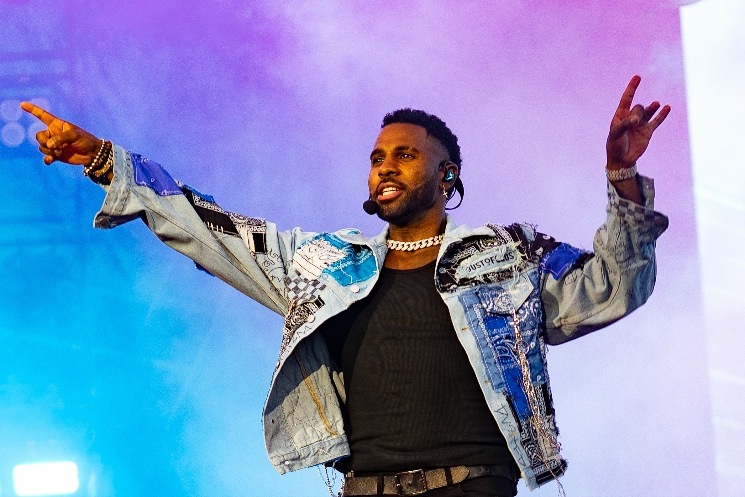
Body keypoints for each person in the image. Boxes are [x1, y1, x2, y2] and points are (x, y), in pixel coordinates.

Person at [21, 75, 669, 497]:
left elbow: (615, 285)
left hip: (471, 486)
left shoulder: (506, 254)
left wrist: (620, 173)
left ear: (447, 177)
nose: (385, 165)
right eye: (377, 156)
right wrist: (106, 160)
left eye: (405, 154)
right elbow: (213, 229)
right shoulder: (326, 264)